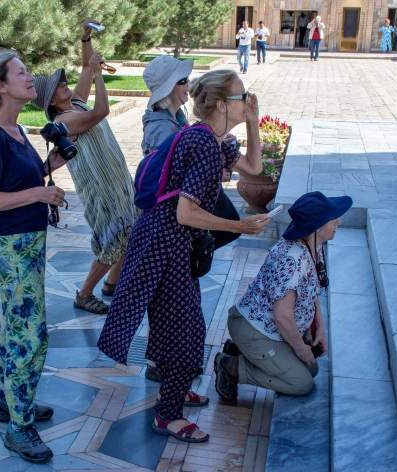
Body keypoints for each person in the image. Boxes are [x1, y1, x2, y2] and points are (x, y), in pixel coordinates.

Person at [98, 69, 272, 443]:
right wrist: (239, 227)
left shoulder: (214, 141)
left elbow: (254, 168)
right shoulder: (205, 146)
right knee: (186, 329)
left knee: (173, 322)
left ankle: (172, 392)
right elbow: (185, 212)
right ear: (223, 104)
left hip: (169, 240)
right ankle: (168, 415)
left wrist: (253, 123)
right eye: (243, 97)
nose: (248, 101)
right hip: (165, 239)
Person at [0, 50, 69, 464]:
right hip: (10, 247)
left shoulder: (16, 128)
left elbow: (16, 180)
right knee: (31, 335)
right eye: (22, 73)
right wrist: (38, 193)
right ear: (0, 85)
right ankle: (20, 429)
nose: (31, 78)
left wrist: (48, 168)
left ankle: (9, 404)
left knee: (15, 328)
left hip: (26, 244)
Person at [140, 55, 243, 383]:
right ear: (168, 88)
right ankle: (164, 365)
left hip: (180, 231)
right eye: (182, 81)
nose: (189, 86)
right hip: (167, 229)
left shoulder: (177, 117)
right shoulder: (160, 125)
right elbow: (170, 182)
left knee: (178, 304)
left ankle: (170, 365)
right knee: (172, 306)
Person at [32, 19, 139, 315]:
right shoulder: (64, 121)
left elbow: (85, 67)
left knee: (126, 230)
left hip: (115, 180)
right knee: (112, 239)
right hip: (102, 189)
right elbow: (103, 111)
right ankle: (84, 294)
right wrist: (100, 75)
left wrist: (85, 37)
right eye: (58, 86)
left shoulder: (75, 103)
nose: (65, 84)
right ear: (51, 100)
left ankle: (112, 284)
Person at [214, 191, 353, 399]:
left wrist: (320, 329)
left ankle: (238, 350)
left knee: (312, 369)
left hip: (270, 330)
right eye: (334, 219)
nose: (338, 222)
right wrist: (300, 348)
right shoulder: (291, 260)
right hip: (255, 330)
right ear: (319, 226)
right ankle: (229, 366)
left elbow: (312, 289)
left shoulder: (314, 245)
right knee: (301, 383)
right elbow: (282, 315)